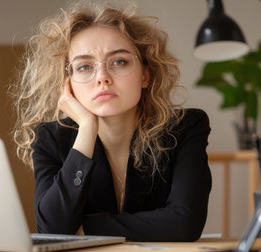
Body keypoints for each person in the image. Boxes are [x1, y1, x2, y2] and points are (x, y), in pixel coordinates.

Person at [13, 0, 211, 242]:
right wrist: (86, 128)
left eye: (119, 62)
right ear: (68, 83)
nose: (103, 78)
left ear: (145, 75)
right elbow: (52, 227)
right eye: (85, 67)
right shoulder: (51, 139)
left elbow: (185, 223)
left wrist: (85, 227)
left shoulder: (185, 127)